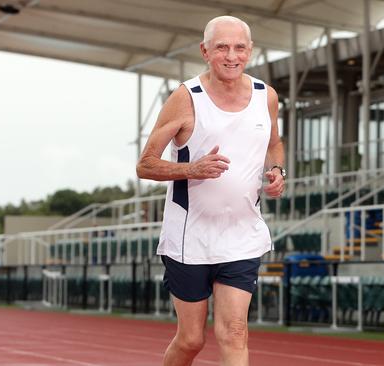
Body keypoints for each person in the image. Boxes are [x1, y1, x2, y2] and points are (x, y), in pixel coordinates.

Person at [136, 15, 285, 366]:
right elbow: (145, 164)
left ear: (250, 51)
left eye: (239, 48)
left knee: (234, 333)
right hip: (190, 238)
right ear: (205, 51)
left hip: (242, 234)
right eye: (222, 47)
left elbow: (275, 144)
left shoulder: (267, 96)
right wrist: (192, 168)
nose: (231, 56)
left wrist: (277, 169)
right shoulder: (187, 97)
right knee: (190, 340)